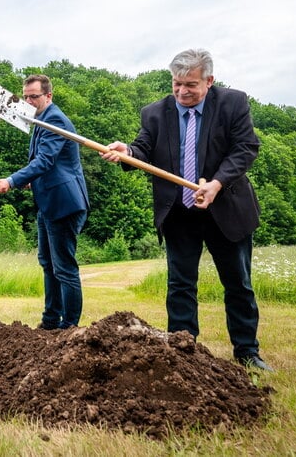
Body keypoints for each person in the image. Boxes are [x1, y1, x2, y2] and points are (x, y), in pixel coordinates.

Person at [101, 48, 271, 372]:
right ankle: (183, 351)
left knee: (238, 283)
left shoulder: (233, 103)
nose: (182, 91)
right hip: (179, 213)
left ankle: (247, 352)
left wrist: (216, 183)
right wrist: (128, 151)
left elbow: (246, 147)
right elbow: (143, 148)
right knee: (180, 285)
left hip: (226, 209)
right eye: (176, 84)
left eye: (190, 85)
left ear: (209, 80)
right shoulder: (154, 112)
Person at [0, 74, 89, 330]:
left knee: (64, 268)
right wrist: (31, 180)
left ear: (48, 96)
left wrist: (12, 180)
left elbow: (45, 160)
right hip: (47, 203)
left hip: (64, 203)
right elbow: (48, 164)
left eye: (33, 96)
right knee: (47, 264)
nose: (28, 101)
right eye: (25, 96)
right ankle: (50, 321)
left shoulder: (54, 119)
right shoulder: (40, 120)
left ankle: (69, 327)